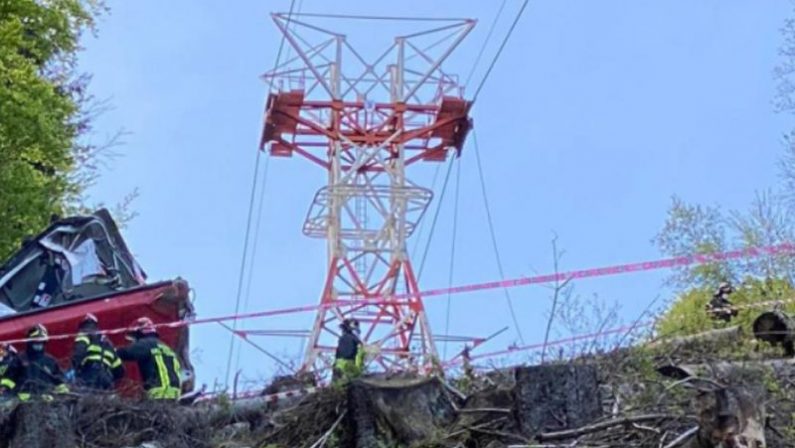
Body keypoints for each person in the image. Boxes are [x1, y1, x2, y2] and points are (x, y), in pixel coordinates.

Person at [117, 317, 182, 400]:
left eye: (134, 337)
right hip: (174, 394)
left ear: (140, 332)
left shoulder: (146, 344)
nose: (133, 341)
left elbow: (126, 353)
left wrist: (111, 350)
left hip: (158, 392)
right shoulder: (166, 347)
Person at [71, 313, 124, 391]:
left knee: (87, 400)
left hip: (90, 374)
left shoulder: (84, 334)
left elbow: (79, 353)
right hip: (106, 377)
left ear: (82, 325)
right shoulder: (107, 342)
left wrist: (75, 368)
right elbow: (120, 370)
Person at [19, 324, 69, 400]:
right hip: (23, 401)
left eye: (41, 343)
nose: (39, 345)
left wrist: (62, 390)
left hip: (46, 401)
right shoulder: (20, 358)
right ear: (30, 342)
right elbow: (9, 379)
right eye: (36, 342)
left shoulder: (50, 361)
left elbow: (58, 378)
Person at [333, 318, 364, 384]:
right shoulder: (355, 340)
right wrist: (358, 371)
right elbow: (359, 357)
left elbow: (337, 355)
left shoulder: (341, 338)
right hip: (349, 367)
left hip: (338, 367)